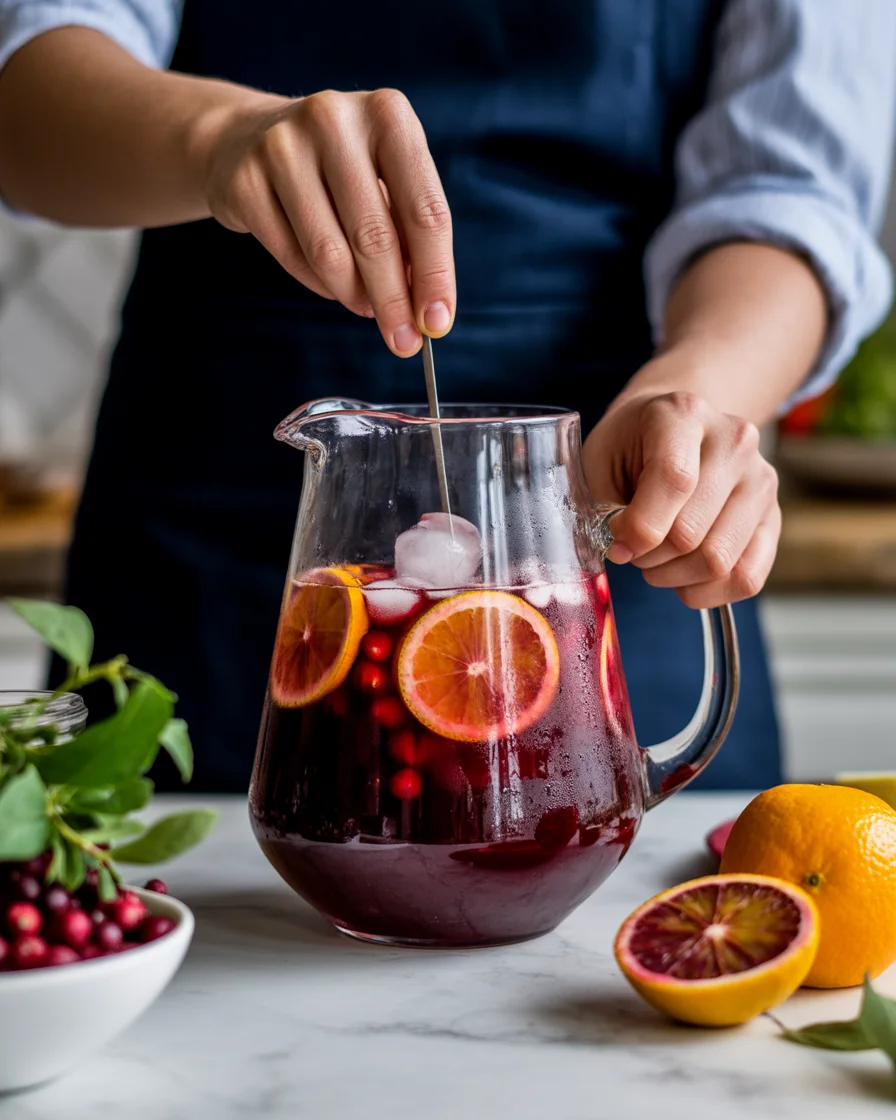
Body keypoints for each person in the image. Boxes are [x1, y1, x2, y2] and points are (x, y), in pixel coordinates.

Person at [0, 1, 893, 793]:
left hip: (600, 503)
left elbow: (787, 190)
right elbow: (23, 95)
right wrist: (219, 136)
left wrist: (690, 395)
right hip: (208, 512)